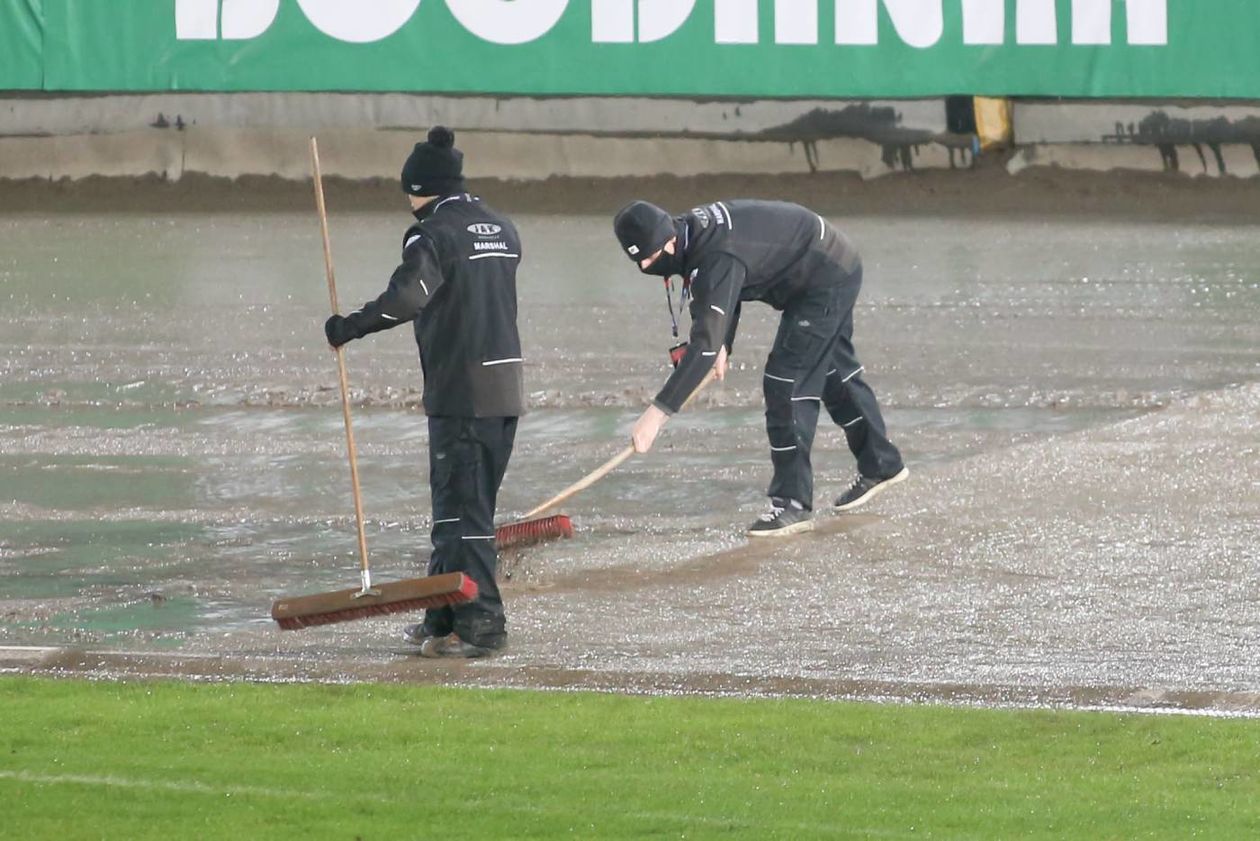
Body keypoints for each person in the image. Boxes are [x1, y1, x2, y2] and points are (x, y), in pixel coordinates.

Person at [324, 127, 524, 657]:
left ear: (419, 187)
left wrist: (352, 326)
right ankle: (441, 617)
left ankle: (483, 627)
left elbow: (409, 295)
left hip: (462, 391)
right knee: (461, 508)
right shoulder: (501, 228)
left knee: (464, 513)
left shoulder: (431, 233)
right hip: (506, 386)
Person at [613, 199, 907, 537]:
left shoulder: (715, 255)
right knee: (828, 371)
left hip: (826, 276)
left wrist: (656, 415)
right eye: (639, 261)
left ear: (669, 240)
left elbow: (711, 310)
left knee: (787, 380)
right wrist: (723, 342)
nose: (647, 265)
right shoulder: (692, 234)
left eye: (651, 256)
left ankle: (792, 504)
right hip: (826, 262)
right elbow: (722, 291)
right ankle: (882, 464)